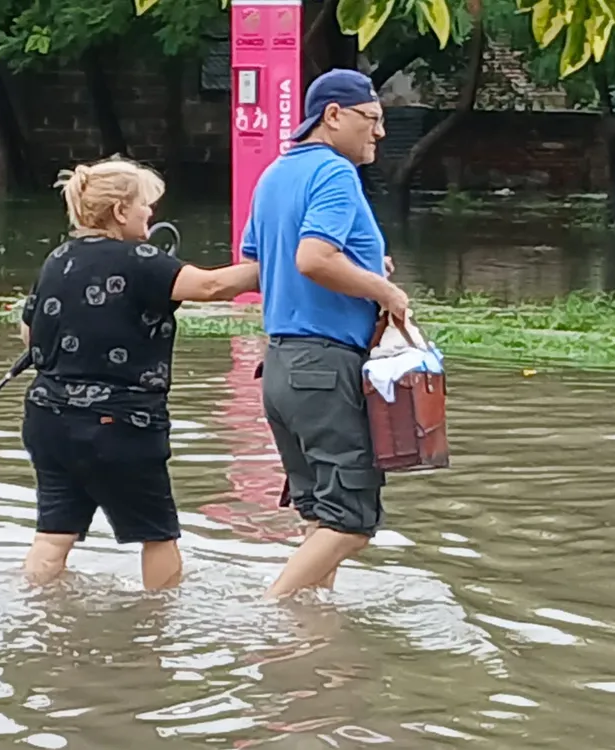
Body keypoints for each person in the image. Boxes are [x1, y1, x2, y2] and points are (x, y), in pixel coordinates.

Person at [19, 156, 259, 590]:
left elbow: (28, 332)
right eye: (145, 204)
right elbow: (211, 286)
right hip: (120, 425)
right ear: (120, 211)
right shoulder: (142, 260)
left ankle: (36, 617)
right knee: (158, 535)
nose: (151, 213)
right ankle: (157, 633)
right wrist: (284, 265)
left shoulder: (57, 259)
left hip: (47, 419)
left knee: (54, 534)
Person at [240, 68, 409, 600]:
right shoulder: (335, 174)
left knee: (320, 519)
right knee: (352, 521)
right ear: (333, 116)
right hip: (324, 366)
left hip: (281, 370)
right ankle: (268, 612)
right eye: (373, 119)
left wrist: (362, 266)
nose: (379, 133)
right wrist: (385, 292)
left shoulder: (274, 174)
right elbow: (313, 259)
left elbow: (259, 267)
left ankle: (313, 633)